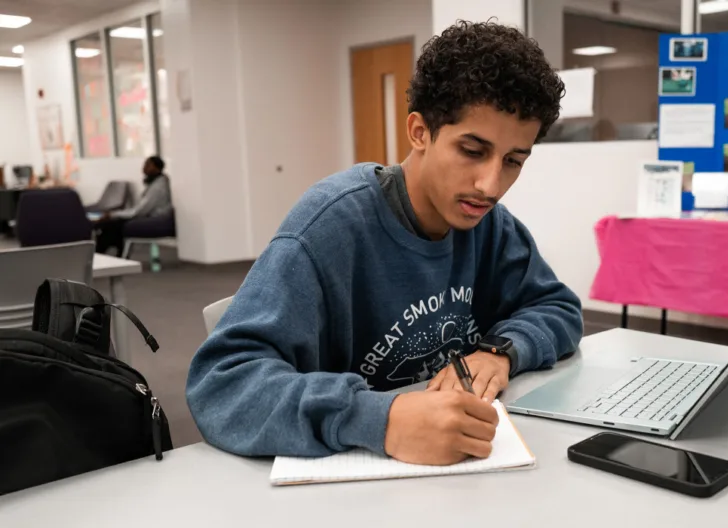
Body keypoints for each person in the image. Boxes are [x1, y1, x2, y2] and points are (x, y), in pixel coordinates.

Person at [187, 21, 583, 466]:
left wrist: (500, 352)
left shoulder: (488, 224)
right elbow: (221, 385)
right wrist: (379, 418)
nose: (491, 186)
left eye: (513, 161)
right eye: (473, 150)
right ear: (419, 132)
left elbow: (558, 308)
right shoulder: (329, 226)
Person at [94, 155, 172, 256]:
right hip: (149, 215)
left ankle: (98, 254)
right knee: (113, 225)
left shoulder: (158, 187)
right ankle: (115, 254)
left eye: (148, 165)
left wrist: (113, 214)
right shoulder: (156, 183)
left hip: (155, 219)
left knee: (112, 225)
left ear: (157, 168)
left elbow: (139, 211)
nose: (144, 168)